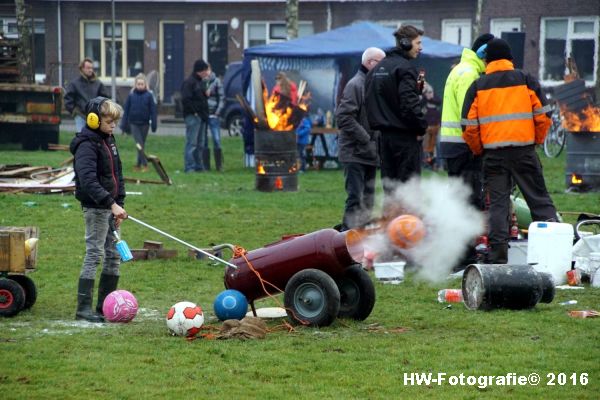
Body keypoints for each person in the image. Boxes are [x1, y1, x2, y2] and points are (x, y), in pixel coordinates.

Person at [461, 38, 557, 264]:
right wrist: (534, 140)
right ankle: (553, 255)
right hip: (524, 152)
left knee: (498, 205)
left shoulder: (478, 85)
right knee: (539, 200)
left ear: (487, 61)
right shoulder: (525, 80)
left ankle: (498, 257)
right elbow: (544, 116)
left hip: (493, 155)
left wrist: (480, 150)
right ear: (510, 59)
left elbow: (468, 126)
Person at [69, 97, 127, 322]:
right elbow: (88, 181)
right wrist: (110, 204)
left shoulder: (109, 140)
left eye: (116, 121)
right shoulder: (86, 144)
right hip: (96, 208)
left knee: (114, 256)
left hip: (111, 208)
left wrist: (119, 204)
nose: (113, 125)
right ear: (93, 119)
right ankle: (83, 309)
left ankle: (105, 305)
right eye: (109, 121)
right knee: (95, 254)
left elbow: (118, 174)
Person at [364, 25, 428, 214]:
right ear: (406, 43)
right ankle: (408, 236)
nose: (421, 47)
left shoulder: (377, 69)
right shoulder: (405, 68)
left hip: (384, 139)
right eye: (418, 43)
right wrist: (420, 127)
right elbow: (409, 106)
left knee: (390, 191)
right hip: (405, 138)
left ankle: (390, 233)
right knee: (409, 192)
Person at [440, 33, 495, 209]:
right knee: (469, 197)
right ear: (483, 54)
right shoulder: (470, 75)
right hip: (464, 144)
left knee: (457, 195)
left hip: (453, 143)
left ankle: (457, 233)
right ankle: (468, 235)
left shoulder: (459, 69)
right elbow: (470, 114)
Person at [335, 47, 386, 230]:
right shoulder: (355, 85)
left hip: (371, 153)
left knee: (368, 201)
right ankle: (345, 240)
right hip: (355, 152)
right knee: (355, 198)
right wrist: (367, 139)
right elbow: (344, 117)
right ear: (370, 63)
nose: (384, 67)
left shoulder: (374, 84)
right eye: (381, 62)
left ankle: (361, 238)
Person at [120, 73, 157, 172]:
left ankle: (138, 164)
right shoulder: (131, 96)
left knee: (141, 144)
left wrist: (154, 124)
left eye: (142, 84)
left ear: (145, 85)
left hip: (145, 124)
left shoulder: (149, 96)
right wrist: (123, 126)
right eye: (138, 84)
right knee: (139, 143)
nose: (140, 86)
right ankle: (144, 164)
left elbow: (153, 111)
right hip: (134, 123)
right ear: (135, 85)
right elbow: (126, 111)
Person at [64, 58, 110, 134]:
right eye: (88, 68)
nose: (91, 70)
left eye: (92, 68)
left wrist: (102, 110)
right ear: (82, 69)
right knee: (82, 137)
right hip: (80, 116)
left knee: (94, 138)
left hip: (95, 116)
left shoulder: (98, 83)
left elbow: (105, 98)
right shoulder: (75, 84)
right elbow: (68, 99)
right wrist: (74, 111)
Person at [181, 59, 210, 173]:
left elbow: (201, 98)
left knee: (200, 143)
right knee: (192, 142)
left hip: (201, 116)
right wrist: (195, 112)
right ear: (200, 71)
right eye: (205, 70)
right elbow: (186, 99)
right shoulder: (190, 82)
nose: (207, 73)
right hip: (193, 116)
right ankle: (189, 166)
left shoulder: (200, 82)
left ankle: (198, 165)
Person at [203, 64, 225, 171]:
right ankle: (206, 166)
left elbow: (221, 97)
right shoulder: (201, 82)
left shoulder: (216, 81)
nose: (206, 72)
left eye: (207, 70)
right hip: (204, 114)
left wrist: (218, 111)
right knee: (204, 140)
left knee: (216, 139)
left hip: (213, 114)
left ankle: (219, 165)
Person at [420, 82, 442, 170]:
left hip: (436, 126)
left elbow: (439, 101)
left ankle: (438, 165)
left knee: (437, 146)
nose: (429, 93)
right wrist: (425, 96)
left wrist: (430, 96)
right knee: (426, 147)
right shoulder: (423, 99)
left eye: (430, 91)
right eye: (427, 92)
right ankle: (427, 165)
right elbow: (421, 103)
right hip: (427, 127)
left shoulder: (435, 98)